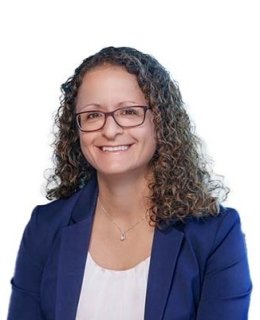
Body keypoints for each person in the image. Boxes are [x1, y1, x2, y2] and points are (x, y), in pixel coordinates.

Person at [8, 46, 252, 320]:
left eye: (129, 112)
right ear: (75, 129)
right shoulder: (45, 226)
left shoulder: (216, 234)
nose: (109, 130)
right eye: (92, 115)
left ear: (160, 120)